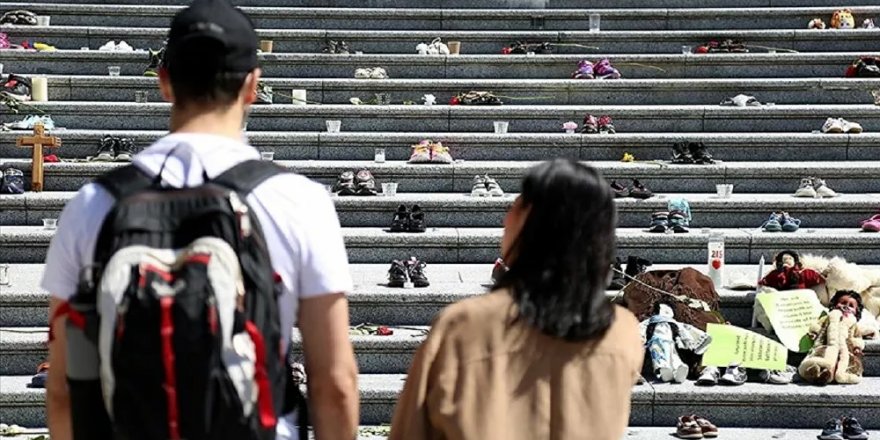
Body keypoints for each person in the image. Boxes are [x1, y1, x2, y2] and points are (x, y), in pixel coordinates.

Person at [42, 1, 359, 439]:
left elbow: (61, 386)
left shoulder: (93, 204)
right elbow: (335, 382)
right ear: (252, 86)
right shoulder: (299, 202)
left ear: (164, 82)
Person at [389, 158, 644, 440]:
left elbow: (411, 431)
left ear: (530, 221)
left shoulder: (464, 325)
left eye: (515, 206)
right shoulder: (623, 332)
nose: (505, 218)